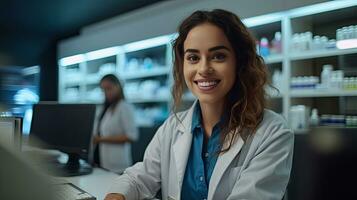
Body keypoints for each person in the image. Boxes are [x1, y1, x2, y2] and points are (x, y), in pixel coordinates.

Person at [105, 9, 294, 200]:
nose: (203, 69)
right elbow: (140, 177)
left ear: (240, 62)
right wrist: (118, 194)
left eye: (218, 56)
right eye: (193, 58)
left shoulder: (273, 132)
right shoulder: (172, 127)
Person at [92, 74, 138, 173]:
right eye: (103, 90)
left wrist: (100, 139)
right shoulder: (104, 108)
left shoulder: (124, 107)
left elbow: (132, 136)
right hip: (100, 161)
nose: (106, 93)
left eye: (109, 88)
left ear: (118, 87)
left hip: (117, 165)